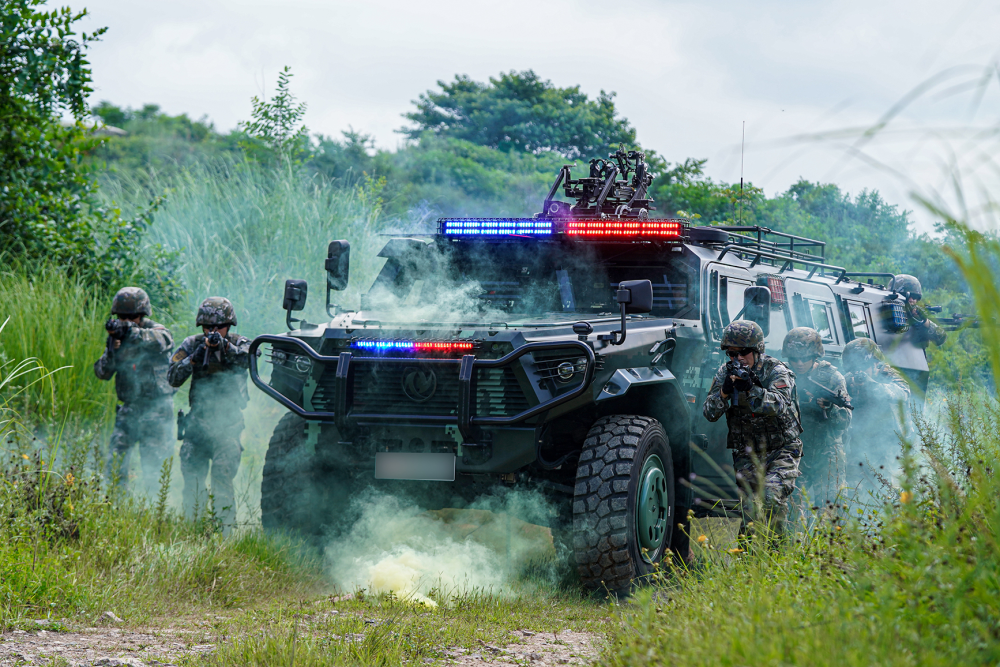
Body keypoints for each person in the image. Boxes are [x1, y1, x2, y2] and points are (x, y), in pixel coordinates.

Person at [703, 320, 803, 535]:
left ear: (757, 350)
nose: (738, 358)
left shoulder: (776, 370)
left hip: (781, 449)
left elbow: (778, 404)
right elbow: (709, 414)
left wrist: (751, 389)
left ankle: (780, 554)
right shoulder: (725, 372)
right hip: (748, 453)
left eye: (744, 352)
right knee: (749, 514)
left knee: (770, 498)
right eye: (731, 353)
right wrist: (724, 393)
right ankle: (748, 562)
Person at [168, 297, 250, 531]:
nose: (213, 332)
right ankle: (192, 531)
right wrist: (193, 359)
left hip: (228, 426)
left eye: (219, 327)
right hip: (198, 425)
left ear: (229, 325)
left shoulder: (240, 343)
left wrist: (225, 348)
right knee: (192, 480)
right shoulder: (192, 343)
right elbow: (172, 378)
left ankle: (224, 536)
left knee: (222, 479)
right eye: (207, 327)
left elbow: (249, 360)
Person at [94, 287, 175, 491]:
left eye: (131, 317)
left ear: (142, 315)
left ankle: (155, 516)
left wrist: (131, 333)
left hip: (156, 410)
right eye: (122, 317)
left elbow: (164, 341)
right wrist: (113, 350)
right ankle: (117, 508)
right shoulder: (118, 338)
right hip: (129, 409)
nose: (126, 321)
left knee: (154, 470)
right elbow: (102, 372)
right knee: (114, 464)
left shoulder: (156, 331)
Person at [781, 328, 852, 506]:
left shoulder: (832, 377)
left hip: (826, 452)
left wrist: (831, 409)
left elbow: (846, 420)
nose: (798, 363)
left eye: (804, 358)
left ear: (815, 356)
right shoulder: (782, 375)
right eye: (793, 359)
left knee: (831, 509)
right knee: (792, 511)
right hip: (795, 452)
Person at [841, 338, 910, 488]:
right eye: (853, 368)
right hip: (859, 441)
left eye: (862, 367)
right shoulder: (849, 379)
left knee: (886, 486)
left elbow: (903, 393)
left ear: (875, 363)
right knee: (856, 487)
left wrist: (872, 385)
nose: (858, 372)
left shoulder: (887, 374)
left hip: (889, 442)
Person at [894, 274, 947, 348]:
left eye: (914, 297)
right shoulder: (885, 310)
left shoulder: (917, 317)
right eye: (907, 295)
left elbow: (941, 338)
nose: (911, 299)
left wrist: (925, 322)